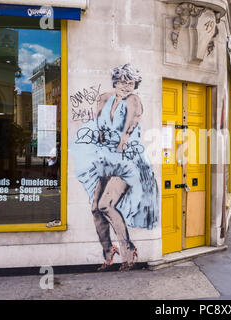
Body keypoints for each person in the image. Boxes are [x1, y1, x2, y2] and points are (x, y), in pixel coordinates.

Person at [71, 64, 159, 272]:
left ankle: (129, 250)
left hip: (125, 160)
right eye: (122, 81)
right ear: (115, 81)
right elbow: (99, 128)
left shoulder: (134, 101)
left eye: (130, 82)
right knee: (95, 209)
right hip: (105, 159)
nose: (126, 86)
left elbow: (128, 131)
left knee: (105, 205)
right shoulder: (104, 98)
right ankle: (108, 252)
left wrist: (118, 147)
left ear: (135, 84)